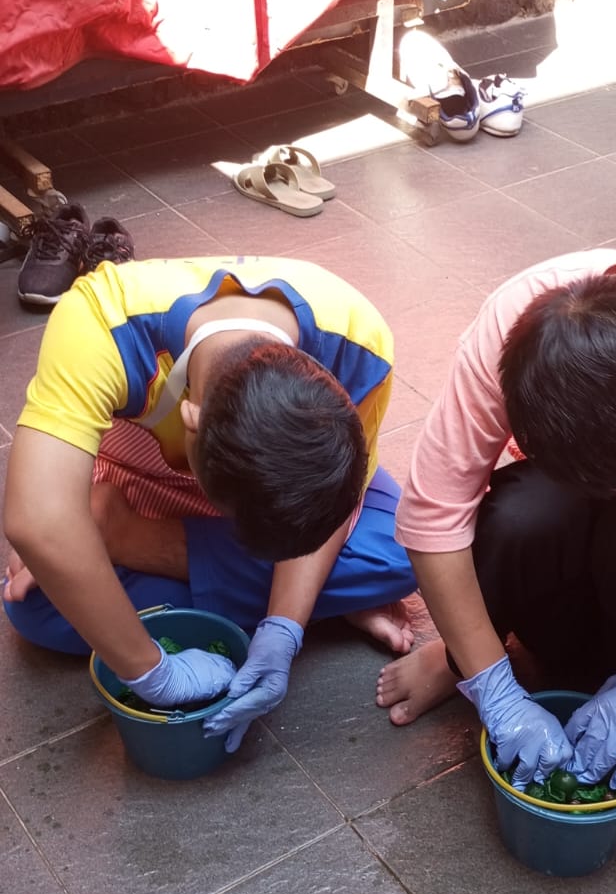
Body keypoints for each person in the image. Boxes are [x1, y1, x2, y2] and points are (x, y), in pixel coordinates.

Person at [3, 254, 416, 751]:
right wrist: (151, 672)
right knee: (34, 606)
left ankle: (122, 540)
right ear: (191, 420)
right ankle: (326, 594)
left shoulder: (357, 342)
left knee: (408, 551)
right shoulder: (101, 324)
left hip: (294, 492)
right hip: (144, 484)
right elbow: (35, 522)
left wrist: (285, 627)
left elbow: (327, 508)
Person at [376, 245, 616, 845]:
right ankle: (468, 656)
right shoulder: (524, 325)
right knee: (523, 513)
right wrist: (491, 686)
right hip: (569, 512)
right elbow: (434, 516)